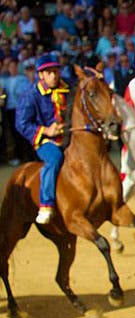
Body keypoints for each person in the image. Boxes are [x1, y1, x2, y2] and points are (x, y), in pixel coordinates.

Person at [15, 54, 70, 224]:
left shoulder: (67, 88)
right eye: (49, 72)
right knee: (54, 159)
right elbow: (22, 124)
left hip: (68, 136)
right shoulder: (31, 95)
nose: (53, 75)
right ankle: (46, 204)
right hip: (45, 141)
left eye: (55, 71)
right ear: (41, 75)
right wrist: (46, 130)